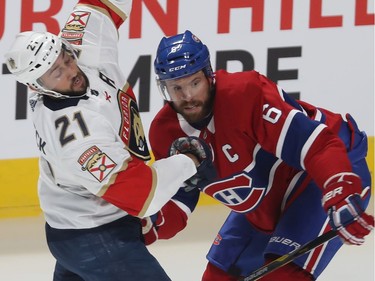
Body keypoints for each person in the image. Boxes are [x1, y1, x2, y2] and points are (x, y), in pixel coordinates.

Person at [4, 3, 214, 280]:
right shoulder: (77, 138)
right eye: (57, 73)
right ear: (36, 86)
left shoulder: (81, 47)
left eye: (66, 59)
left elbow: (100, 5)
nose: (71, 70)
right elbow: (144, 195)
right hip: (92, 235)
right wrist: (190, 159)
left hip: (79, 225)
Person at [143, 30, 374, 280]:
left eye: (194, 83)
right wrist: (149, 222)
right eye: (176, 87)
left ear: (208, 75)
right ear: (163, 87)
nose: (187, 96)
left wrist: (339, 189)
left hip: (318, 177)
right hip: (263, 203)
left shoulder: (244, 94)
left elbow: (316, 144)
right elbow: (179, 199)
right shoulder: (164, 134)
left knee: (282, 276)